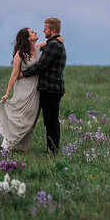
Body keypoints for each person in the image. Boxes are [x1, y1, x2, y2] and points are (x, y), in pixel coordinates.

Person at [0, 27, 63, 152]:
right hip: (23, 88)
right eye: (32, 32)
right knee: (20, 118)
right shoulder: (20, 54)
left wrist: (59, 39)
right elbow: (14, 74)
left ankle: (19, 148)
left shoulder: (37, 49)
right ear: (28, 38)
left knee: (30, 120)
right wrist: (7, 93)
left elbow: (51, 42)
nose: (36, 32)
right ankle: (7, 145)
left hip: (36, 90)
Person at [20, 17, 66, 154]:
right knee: (51, 120)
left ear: (52, 30)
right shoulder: (54, 43)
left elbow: (41, 65)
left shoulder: (53, 45)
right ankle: (52, 149)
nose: (42, 30)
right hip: (53, 88)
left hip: (50, 88)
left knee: (51, 121)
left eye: (45, 28)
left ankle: (52, 150)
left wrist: (24, 74)